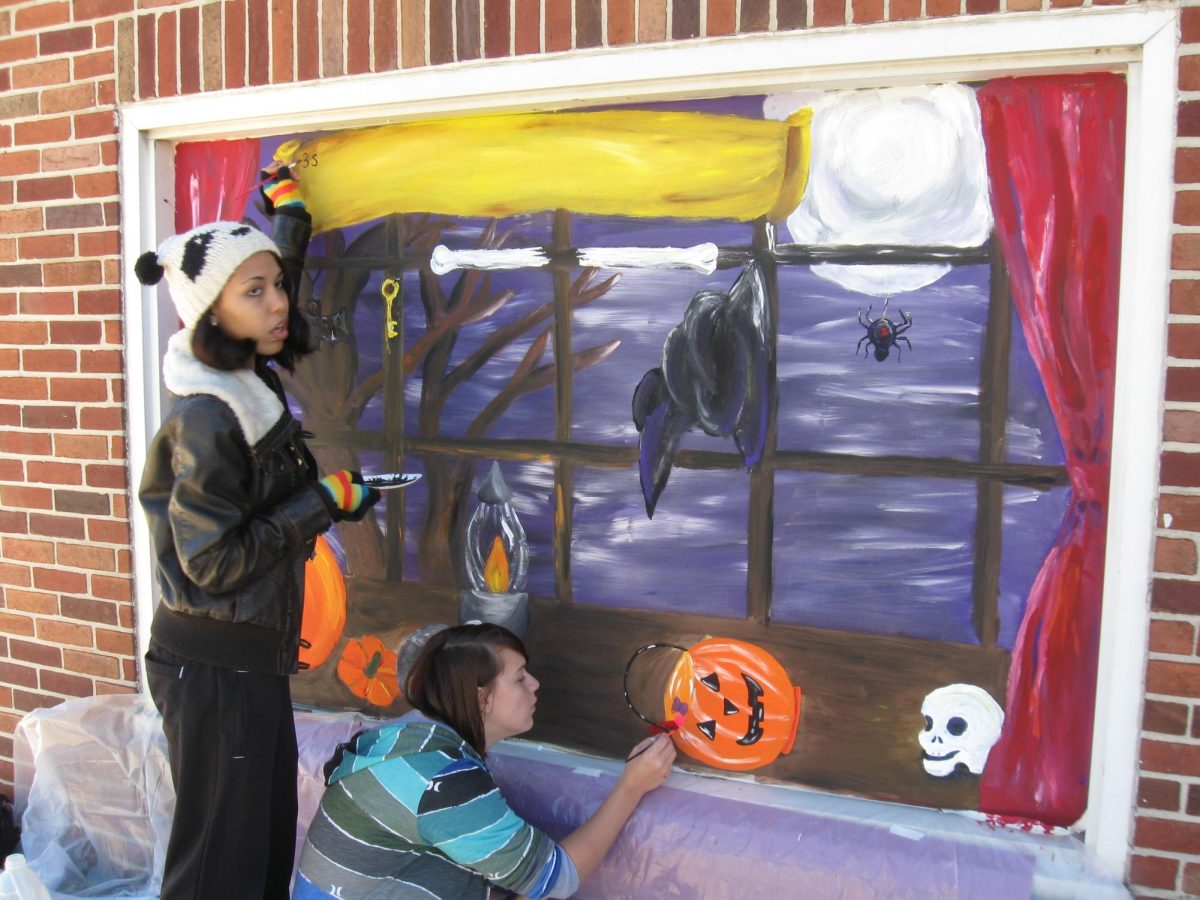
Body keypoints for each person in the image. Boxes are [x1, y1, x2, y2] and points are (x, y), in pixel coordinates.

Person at [136, 164, 383, 899]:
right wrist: (325, 501)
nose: (279, 304)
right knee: (220, 868)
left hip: (249, 658)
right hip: (214, 670)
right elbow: (212, 563)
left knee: (263, 847)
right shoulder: (207, 418)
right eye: (257, 292)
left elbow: (267, 290)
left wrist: (292, 222)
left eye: (278, 284)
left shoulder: (244, 366)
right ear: (210, 314)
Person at [294, 623, 676, 899]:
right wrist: (632, 786)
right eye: (520, 678)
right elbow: (557, 879)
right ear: (481, 699)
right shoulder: (443, 781)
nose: (535, 685)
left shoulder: (408, 739)